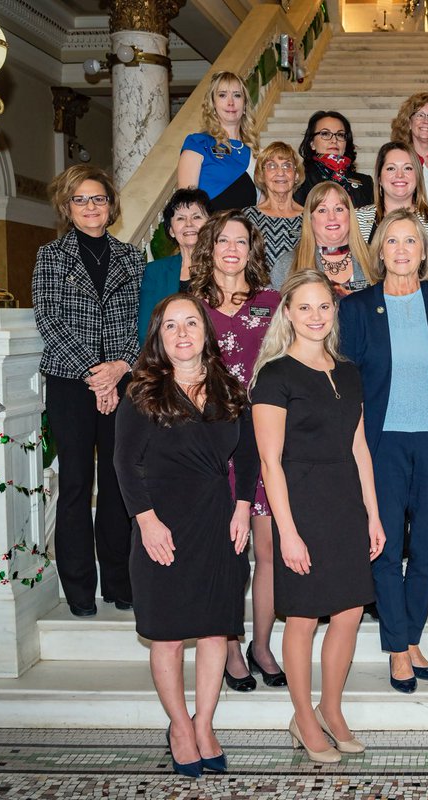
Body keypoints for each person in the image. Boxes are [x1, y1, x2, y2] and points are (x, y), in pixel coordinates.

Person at [115, 294, 256, 778]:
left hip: (218, 521)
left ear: (205, 331)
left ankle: (205, 723)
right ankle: (179, 726)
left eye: (190, 323)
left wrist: (241, 509)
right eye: (170, 325)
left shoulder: (230, 386)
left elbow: (251, 455)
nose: (181, 333)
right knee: (170, 636)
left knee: (218, 629)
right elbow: (124, 464)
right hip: (163, 525)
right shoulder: (141, 391)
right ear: (158, 336)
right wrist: (146, 521)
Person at [339, 209, 428, 695]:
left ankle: (410, 636)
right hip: (380, 445)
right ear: (380, 252)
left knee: (425, 549)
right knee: (384, 546)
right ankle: (398, 647)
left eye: (411, 242)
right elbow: (348, 385)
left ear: (425, 252)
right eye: (392, 242)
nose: (401, 250)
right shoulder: (357, 308)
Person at [251, 270, 385, 763]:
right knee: (304, 617)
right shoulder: (275, 375)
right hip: (300, 502)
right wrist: (287, 532)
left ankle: (331, 708)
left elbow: (360, 446)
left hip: (345, 500)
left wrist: (373, 513)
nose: (315, 316)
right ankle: (303, 716)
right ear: (287, 313)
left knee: (349, 611)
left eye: (323, 307)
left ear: (335, 312)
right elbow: (269, 462)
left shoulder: (348, 372)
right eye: (304, 307)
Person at [32, 164, 143, 618]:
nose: (91, 207)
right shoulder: (50, 256)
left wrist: (118, 369)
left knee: (119, 485)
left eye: (98, 199)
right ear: (67, 206)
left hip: (124, 381)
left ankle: (119, 582)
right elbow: (48, 320)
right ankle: (79, 589)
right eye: (81, 199)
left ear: (111, 205)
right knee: (76, 483)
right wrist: (93, 374)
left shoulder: (133, 258)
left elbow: (144, 322)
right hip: (69, 383)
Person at [187, 210, 285, 693]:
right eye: (222, 240)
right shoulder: (191, 306)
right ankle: (228, 645)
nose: (232, 249)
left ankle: (261, 644)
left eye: (241, 241)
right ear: (210, 247)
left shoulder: (273, 302)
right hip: (212, 443)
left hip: (266, 439)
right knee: (227, 552)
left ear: (252, 249)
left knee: (267, 549)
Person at [355, 141, 428, 285]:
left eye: (408, 168)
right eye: (391, 168)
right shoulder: (357, 219)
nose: (400, 175)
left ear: (417, 177)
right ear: (379, 178)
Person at [176, 71, 260, 212]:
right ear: (213, 105)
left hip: (246, 232)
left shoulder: (256, 153)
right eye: (222, 95)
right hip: (211, 231)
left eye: (237, 95)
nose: (231, 102)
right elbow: (187, 206)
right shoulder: (199, 144)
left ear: (245, 105)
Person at [273, 182, 374, 296]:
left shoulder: (374, 260)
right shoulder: (287, 265)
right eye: (322, 210)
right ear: (310, 218)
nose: (332, 217)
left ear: (350, 214)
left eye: (339, 209)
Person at [138, 188, 211, 344]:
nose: (189, 224)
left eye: (196, 217)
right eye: (180, 219)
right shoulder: (155, 272)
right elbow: (146, 331)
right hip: (165, 360)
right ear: (171, 230)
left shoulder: (224, 268)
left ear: (210, 224)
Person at [293, 111, 374, 209]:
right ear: (312, 143)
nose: (334, 140)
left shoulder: (365, 182)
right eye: (325, 134)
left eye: (340, 135)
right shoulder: (300, 179)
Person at [243, 141, 304, 266]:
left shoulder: (310, 216)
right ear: (262, 175)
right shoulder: (247, 216)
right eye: (271, 166)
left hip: (301, 284)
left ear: (296, 175)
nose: (280, 173)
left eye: (287, 166)